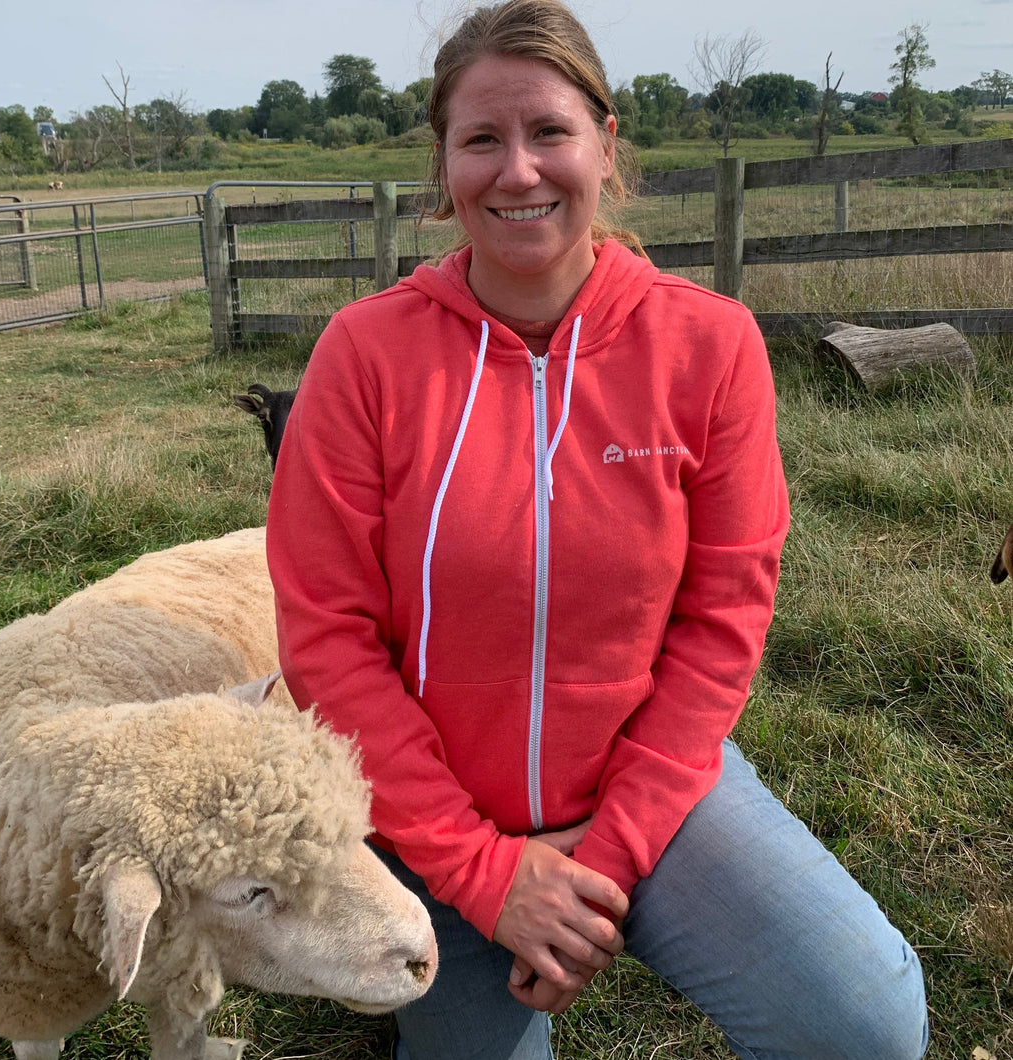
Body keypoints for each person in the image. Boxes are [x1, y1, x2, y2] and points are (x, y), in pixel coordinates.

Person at [266, 1, 929, 1057]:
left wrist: (608, 855)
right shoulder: (364, 355)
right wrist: (484, 872)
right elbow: (327, 641)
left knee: (864, 1023)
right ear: (443, 163)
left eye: (549, 133)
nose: (517, 171)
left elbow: (721, 624)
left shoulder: (708, 345)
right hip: (428, 819)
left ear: (605, 145)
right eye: (481, 138)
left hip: (652, 788)